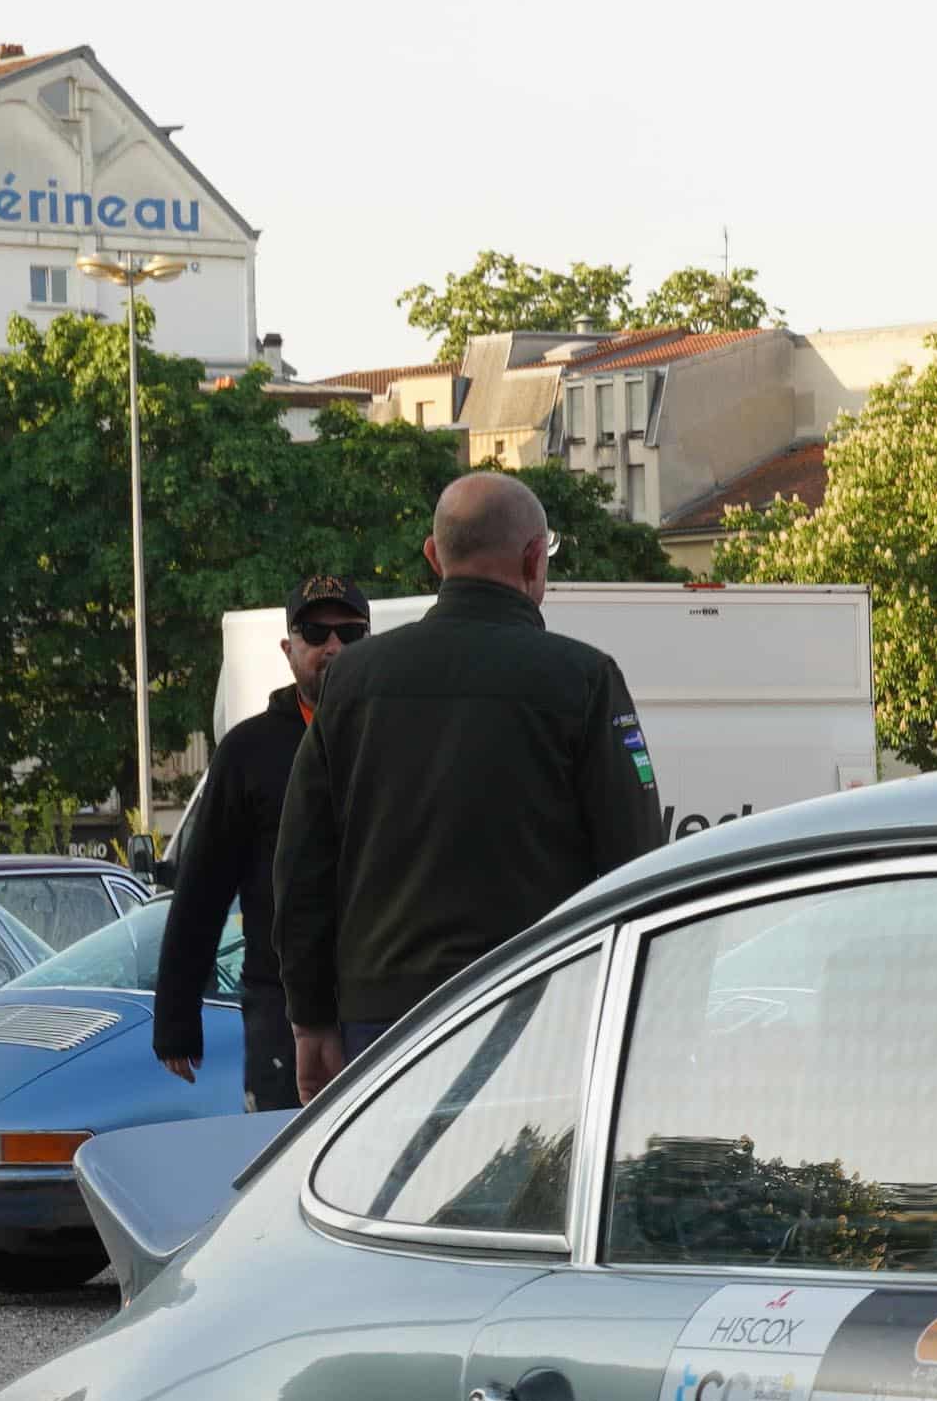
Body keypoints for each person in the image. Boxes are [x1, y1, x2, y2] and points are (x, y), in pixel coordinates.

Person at [272, 470, 670, 1094]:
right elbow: (633, 861)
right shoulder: (584, 679)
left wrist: (310, 1016)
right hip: (535, 1004)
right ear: (534, 558)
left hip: (383, 1020)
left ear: (434, 557)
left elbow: (302, 863)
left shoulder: (351, 682)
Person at [156, 582, 365, 1112]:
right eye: (315, 633)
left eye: (349, 633)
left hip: (380, 999)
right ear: (289, 648)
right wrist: (177, 1015)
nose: (333, 647)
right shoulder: (248, 750)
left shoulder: (392, 738)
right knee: (287, 1145)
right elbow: (203, 887)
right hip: (280, 1004)